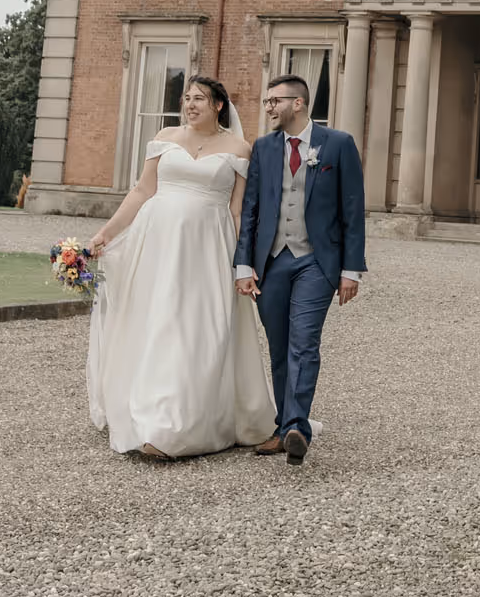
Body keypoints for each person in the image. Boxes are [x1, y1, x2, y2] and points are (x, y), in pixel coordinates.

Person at [84, 76, 276, 460]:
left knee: (198, 328)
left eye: (200, 99)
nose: (190, 105)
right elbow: (142, 191)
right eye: (187, 98)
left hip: (208, 249)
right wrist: (104, 234)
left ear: (218, 105)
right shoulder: (165, 137)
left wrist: (245, 262)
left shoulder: (238, 147)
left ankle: (187, 423)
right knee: (159, 322)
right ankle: (155, 421)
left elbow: (238, 210)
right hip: (157, 244)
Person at [235, 74, 368, 466]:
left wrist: (351, 270)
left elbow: (353, 210)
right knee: (278, 345)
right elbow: (251, 211)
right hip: (271, 261)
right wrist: (244, 263)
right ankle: (283, 427)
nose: (269, 108)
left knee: (304, 342)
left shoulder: (338, 145)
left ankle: (297, 428)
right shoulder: (263, 148)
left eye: (275, 101)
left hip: (316, 261)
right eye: (267, 102)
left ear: (299, 103)